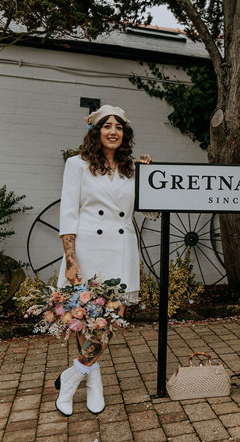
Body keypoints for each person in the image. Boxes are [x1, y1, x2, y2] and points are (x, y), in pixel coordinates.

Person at [53, 105, 156, 416]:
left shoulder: (133, 169)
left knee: (108, 322)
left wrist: (152, 178)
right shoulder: (77, 165)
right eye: (107, 126)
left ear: (125, 134)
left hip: (121, 250)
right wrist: (70, 259)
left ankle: (72, 378)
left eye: (119, 127)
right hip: (86, 249)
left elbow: (152, 211)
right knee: (82, 321)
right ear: (95, 132)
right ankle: (93, 379)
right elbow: (68, 212)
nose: (113, 131)